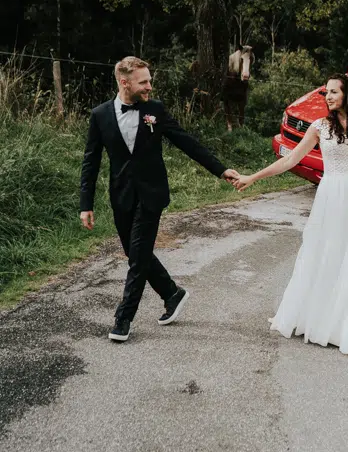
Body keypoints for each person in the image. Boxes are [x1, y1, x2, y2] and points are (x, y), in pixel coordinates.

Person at [79, 56, 242, 343]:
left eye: (150, 80)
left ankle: (123, 318)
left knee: (138, 255)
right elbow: (90, 162)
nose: (150, 86)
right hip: (121, 196)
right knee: (135, 254)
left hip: (152, 194)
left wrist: (220, 169)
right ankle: (172, 293)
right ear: (124, 82)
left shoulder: (155, 110)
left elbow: (186, 141)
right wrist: (86, 204)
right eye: (144, 82)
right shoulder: (100, 115)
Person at [233, 73, 348, 355]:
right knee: (325, 253)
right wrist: (253, 177)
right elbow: (290, 159)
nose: (328, 96)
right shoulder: (319, 127)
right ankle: (319, 318)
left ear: (347, 94)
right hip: (331, 196)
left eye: (333, 92)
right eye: (326, 93)